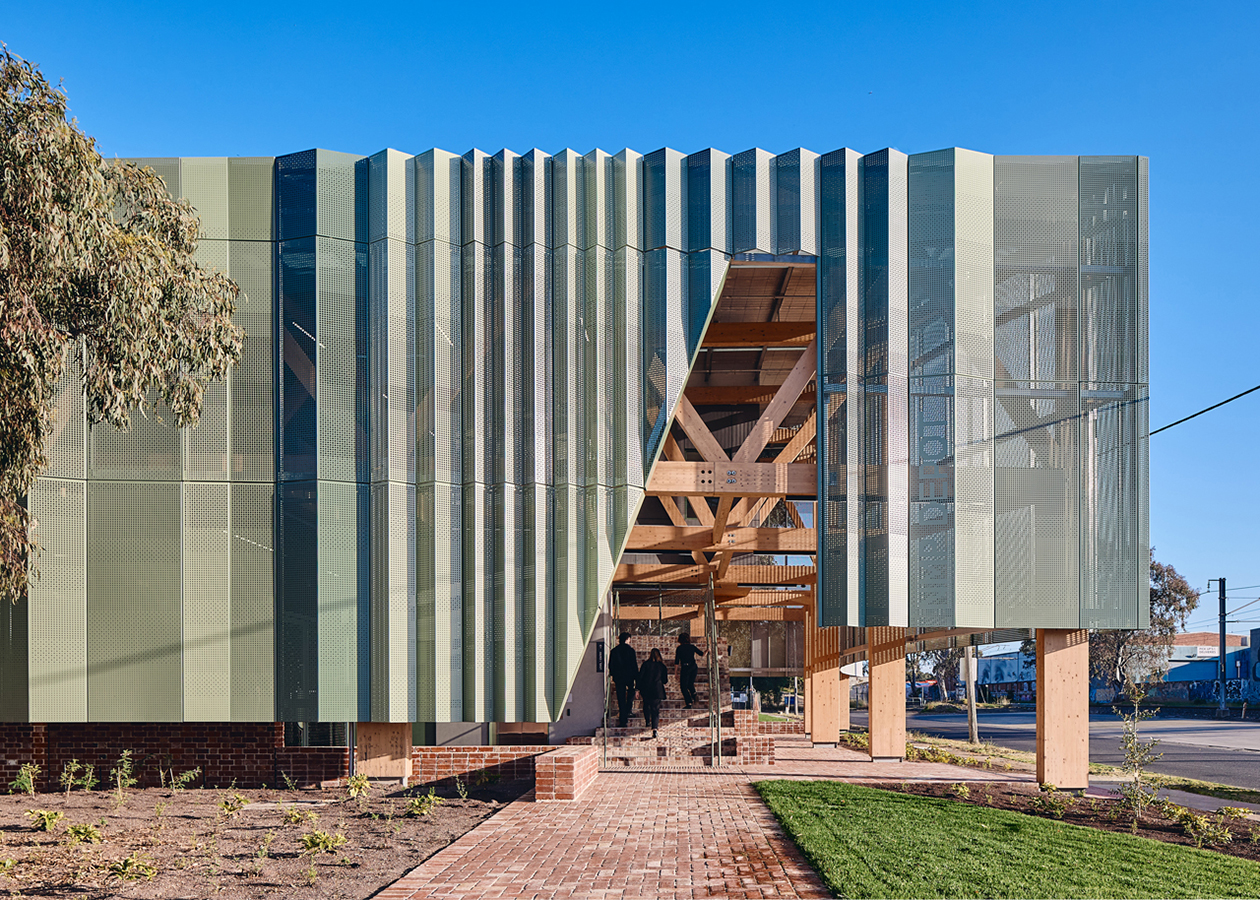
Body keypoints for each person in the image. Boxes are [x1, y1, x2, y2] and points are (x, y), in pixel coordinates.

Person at [608, 632, 638, 728]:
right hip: (629, 676)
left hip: (619, 677)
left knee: (620, 697)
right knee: (631, 693)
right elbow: (634, 665)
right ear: (628, 639)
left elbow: (611, 665)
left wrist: (613, 674)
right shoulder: (631, 651)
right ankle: (628, 710)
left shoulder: (614, 651)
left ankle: (623, 719)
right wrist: (636, 676)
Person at [637, 648, 669, 737]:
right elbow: (665, 680)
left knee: (646, 705)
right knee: (655, 709)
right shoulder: (662, 666)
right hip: (657, 690)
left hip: (646, 689)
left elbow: (640, 677)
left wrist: (637, 689)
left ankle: (647, 721)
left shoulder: (645, 664)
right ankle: (654, 728)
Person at [675, 633, 706, 709]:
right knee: (690, 684)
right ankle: (694, 695)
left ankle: (689, 702)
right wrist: (708, 650)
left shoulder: (679, 648)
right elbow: (702, 654)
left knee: (683, 687)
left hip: (685, 667)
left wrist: (676, 673)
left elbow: (676, 662)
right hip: (693, 667)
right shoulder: (692, 647)